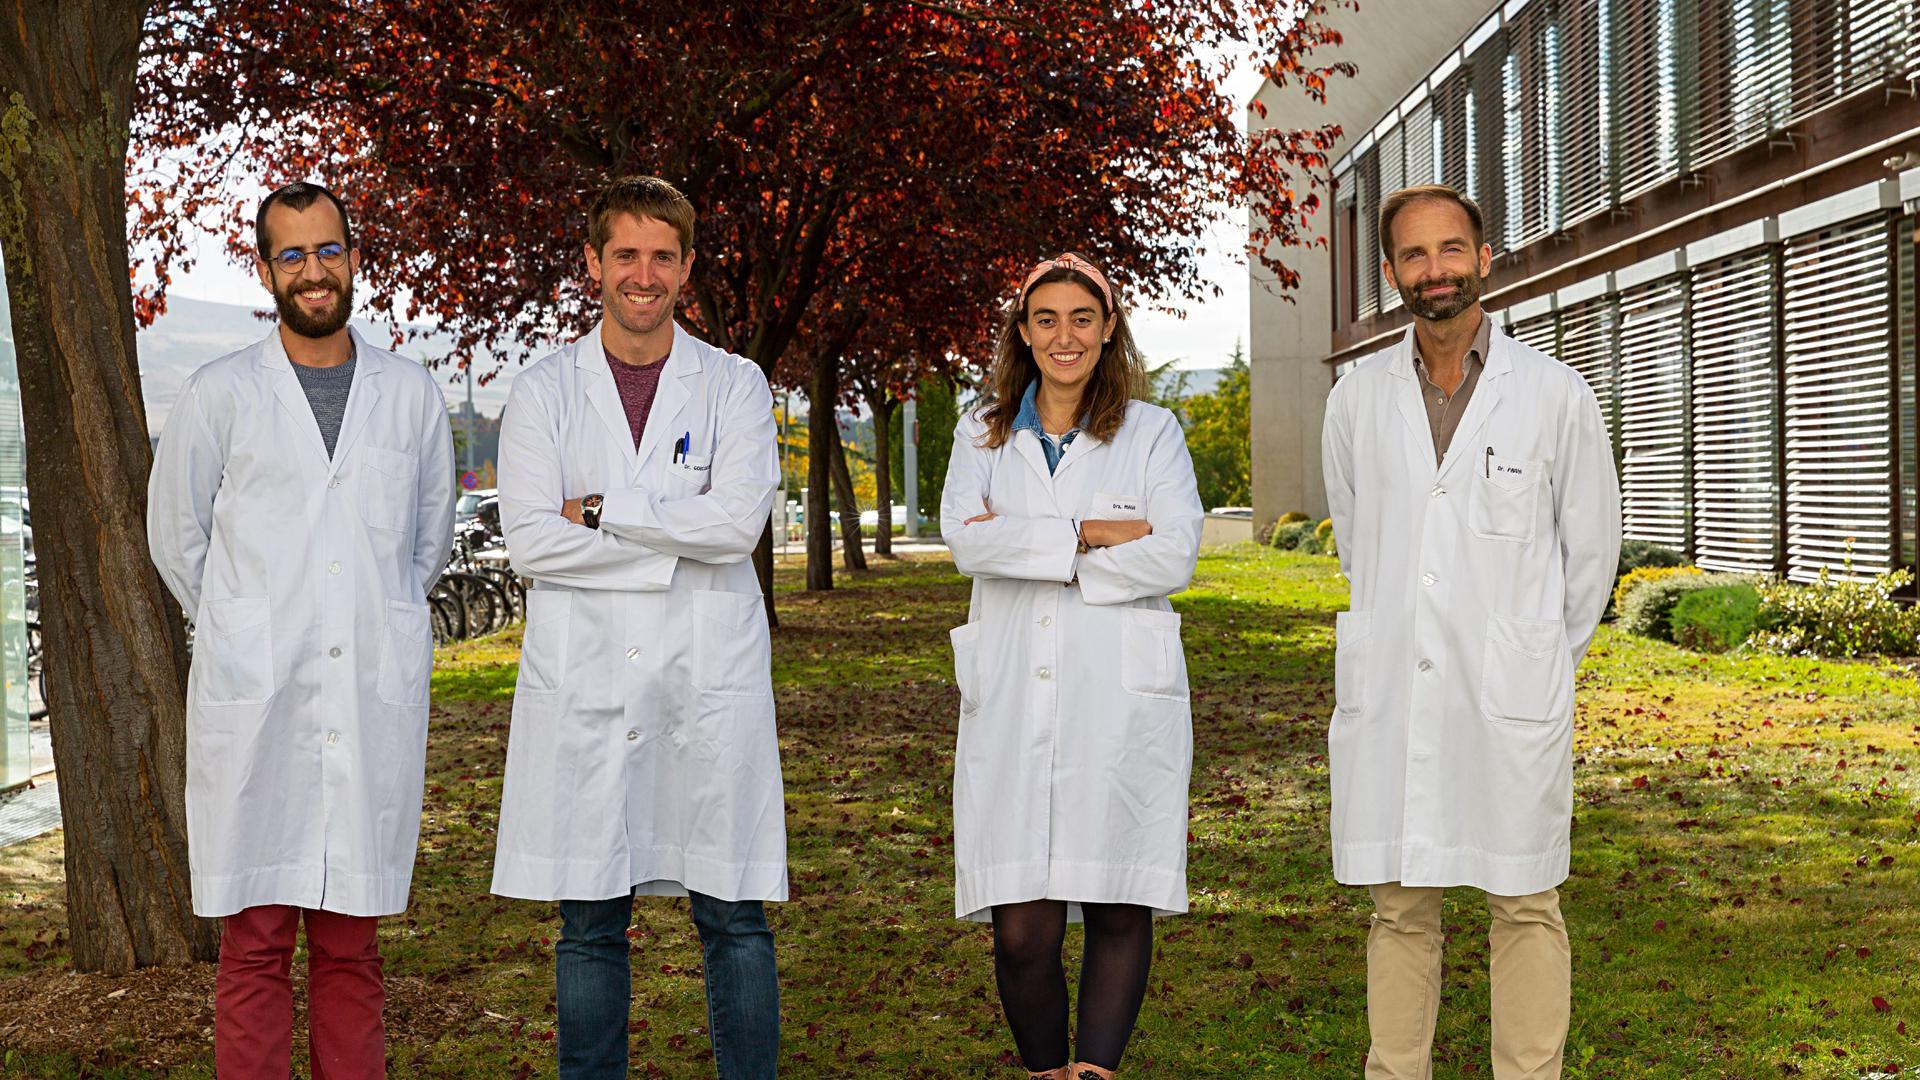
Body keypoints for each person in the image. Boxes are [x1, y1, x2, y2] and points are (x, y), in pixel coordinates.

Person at [147, 181, 455, 1078]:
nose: (312, 271)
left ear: (353, 259)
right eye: (292, 254)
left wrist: (357, 618)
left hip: (364, 694)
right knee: (253, 944)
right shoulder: (219, 393)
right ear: (265, 270)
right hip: (258, 699)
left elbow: (427, 543)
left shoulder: (409, 394)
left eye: (327, 251)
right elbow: (176, 537)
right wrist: (244, 624)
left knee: (352, 947)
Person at [1319, 184, 1621, 1079]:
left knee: (1524, 903)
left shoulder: (1554, 395)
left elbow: (1590, 555)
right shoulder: (1355, 400)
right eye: (1414, 255)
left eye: (1451, 249)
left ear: (1484, 259)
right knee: (1400, 908)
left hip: (1509, 694)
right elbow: (1362, 544)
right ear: (1391, 274)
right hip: (1396, 686)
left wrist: (1532, 657)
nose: (1436, 270)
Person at [489, 175, 785, 1080]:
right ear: (593, 262)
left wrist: (601, 510)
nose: (643, 275)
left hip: (706, 682)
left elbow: (736, 526)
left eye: (662, 256)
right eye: (625, 254)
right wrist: (671, 544)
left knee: (733, 913)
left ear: (687, 268)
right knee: (588, 919)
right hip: (588, 684)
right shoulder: (544, 391)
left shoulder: (734, 385)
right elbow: (530, 540)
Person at [941, 253, 1203, 1080]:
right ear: (1023, 332)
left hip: (1117, 699)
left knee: (1119, 898)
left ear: (1108, 328)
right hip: (1014, 692)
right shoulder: (981, 431)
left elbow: (1175, 554)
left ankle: (1092, 1073)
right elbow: (966, 543)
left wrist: (1028, 546)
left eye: (1082, 319)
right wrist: (1089, 535)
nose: (1065, 336)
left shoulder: (1152, 431)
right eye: (1047, 319)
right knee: (1023, 929)